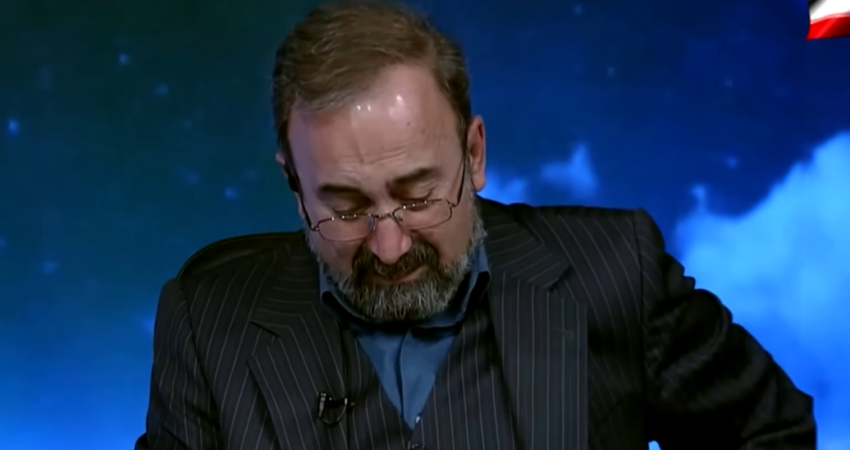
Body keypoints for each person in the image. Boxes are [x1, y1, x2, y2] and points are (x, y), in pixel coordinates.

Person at [136, 1, 816, 449]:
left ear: (475, 154)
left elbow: (771, 434)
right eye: (344, 207)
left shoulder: (616, 270)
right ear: (293, 184)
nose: (388, 246)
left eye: (417, 196)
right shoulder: (207, 324)